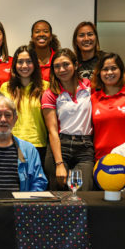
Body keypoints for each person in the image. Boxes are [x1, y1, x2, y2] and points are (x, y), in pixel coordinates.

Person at [41, 49, 94, 190]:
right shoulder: (50, 93)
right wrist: (59, 164)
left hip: (85, 147)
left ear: (76, 65)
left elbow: (113, 87)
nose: (61, 69)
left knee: (84, 194)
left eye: (66, 64)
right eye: (57, 66)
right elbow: (52, 131)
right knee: (59, 197)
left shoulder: (89, 86)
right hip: (60, 146)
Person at [72, 21, 125, 98]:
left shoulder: (106, 59)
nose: (86, 38)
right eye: (81, 35)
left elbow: (120, 83)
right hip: (80, 107)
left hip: (103, 105)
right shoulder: (72, 63)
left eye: (90, 34)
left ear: (96, 38)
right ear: (76, 41)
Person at [0, 45, 49, 165]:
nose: (24, 66)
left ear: (35, 64)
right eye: (20, 62)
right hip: (11, 145)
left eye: (29, 62)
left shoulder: (46, 87)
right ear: (15, 65)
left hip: (38, 145)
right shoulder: (5, 88)